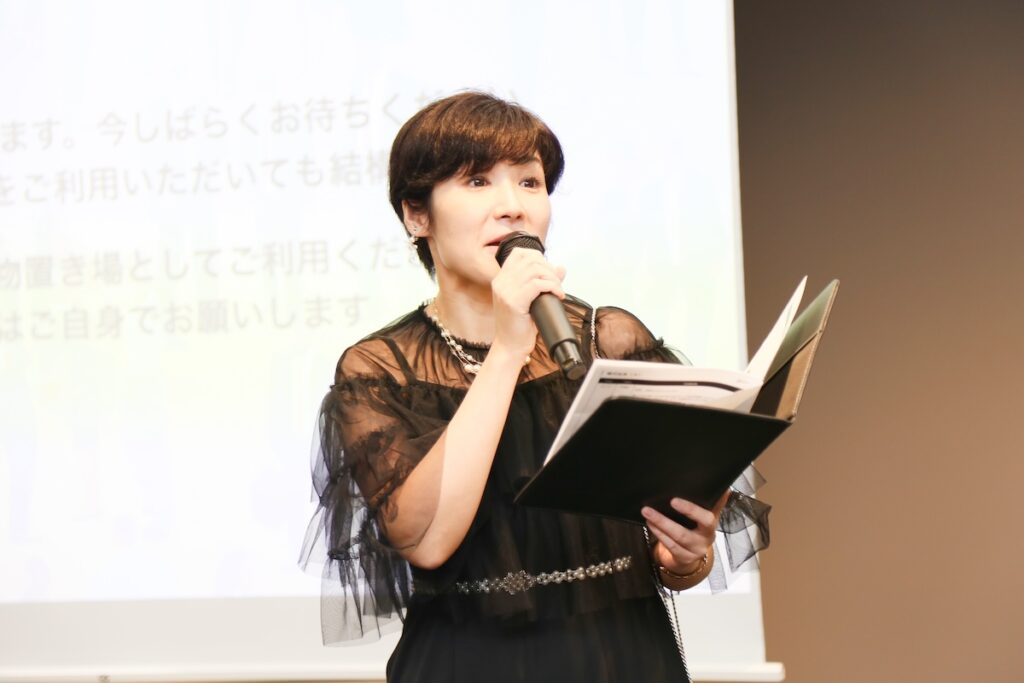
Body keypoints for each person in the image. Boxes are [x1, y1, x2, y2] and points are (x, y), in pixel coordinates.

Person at [299, 91, 770, 682]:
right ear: (416, 216)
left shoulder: (607, 339)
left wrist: (684, 557)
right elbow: (427, 541)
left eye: (530, 182)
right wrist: (508, 349)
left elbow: (674, 549)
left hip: (621, 659)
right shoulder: (379, 369)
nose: (513, 208)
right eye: (477, 182)